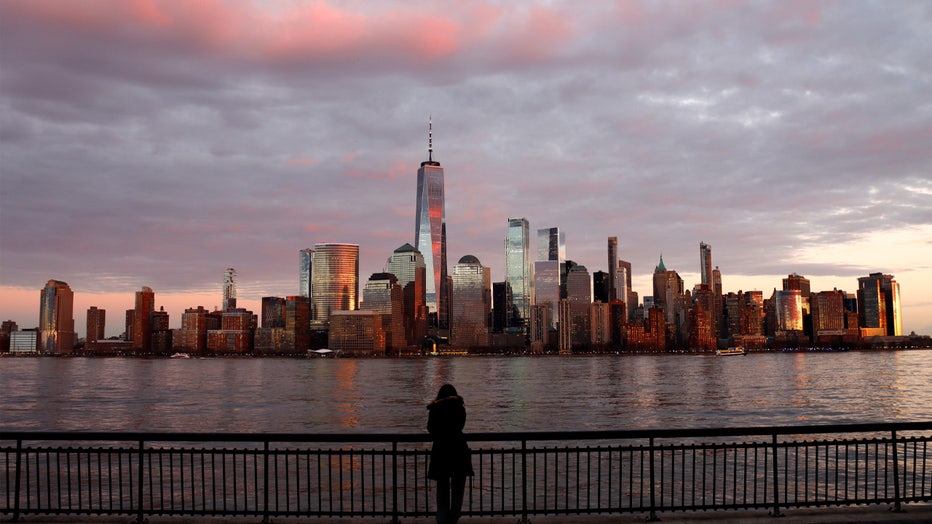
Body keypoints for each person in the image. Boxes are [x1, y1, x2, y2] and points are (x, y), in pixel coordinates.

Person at [427, 384, 474, 524]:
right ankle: (454, 517)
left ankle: (442, 518)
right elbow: (461, 426)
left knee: (442, 488)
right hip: (459, 450)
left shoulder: (434, 409)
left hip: (441, 451)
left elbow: (430, 429)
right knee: (458, 489)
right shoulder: (460, 408)